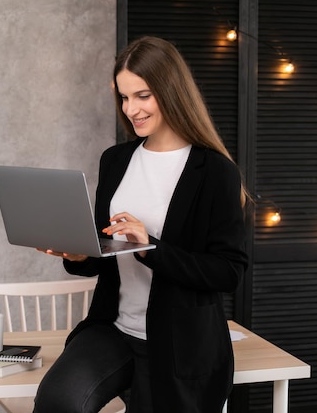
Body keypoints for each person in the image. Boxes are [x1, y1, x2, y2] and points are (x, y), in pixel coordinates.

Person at [32, 36, 249, 413]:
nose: (131, 109)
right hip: (112, 329)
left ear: (170, 90)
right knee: (57, 401)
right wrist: (81, 255)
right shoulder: (115, 160)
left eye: (142, 95)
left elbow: (227, 272)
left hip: (178, 344)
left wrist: (150, 246)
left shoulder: (215, 172)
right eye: (124, 97)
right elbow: (106, 252)